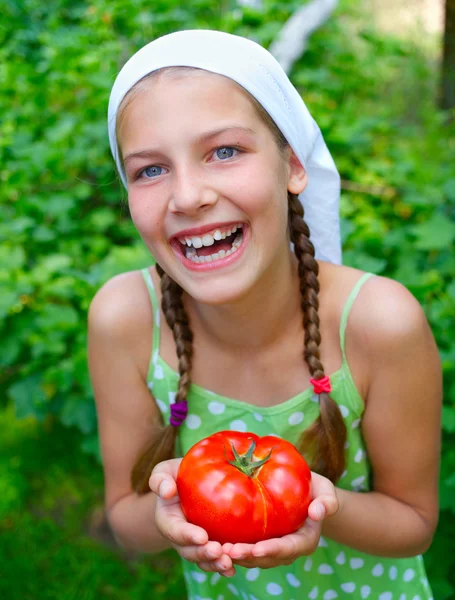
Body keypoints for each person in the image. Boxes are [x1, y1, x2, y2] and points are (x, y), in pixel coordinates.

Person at [88, 29, 442, 600]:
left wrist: (308, 502)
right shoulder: (124, 321)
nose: (188, 195)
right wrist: (165, 509)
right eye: (150, 170)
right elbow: (125, 518)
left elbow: (414, 525)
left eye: (224, 151)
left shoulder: (379, 324)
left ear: (293, 166)